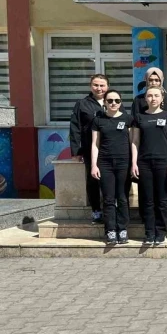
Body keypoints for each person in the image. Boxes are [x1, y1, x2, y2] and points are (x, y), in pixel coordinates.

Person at [131, 87, 167, 246]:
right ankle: (149, 232)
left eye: (156, 95)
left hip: (163, 162)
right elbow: (135, 141)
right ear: (145, 98)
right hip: (144, 162)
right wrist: (134, 163)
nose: (153, 98)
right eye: (150, 95)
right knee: (147, 199)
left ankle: (161, 232)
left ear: (162, 98)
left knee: (162, 199)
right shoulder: (139, 117)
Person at [90, 89, 132, 246]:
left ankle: (122, 229)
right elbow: (95, 144)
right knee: (108, 198)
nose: (113, 103)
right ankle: (110, 230)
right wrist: (94, 165)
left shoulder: (128, 119)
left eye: (117, 101)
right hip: (105, 163)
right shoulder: (98, 120)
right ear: (105, 102)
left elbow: (133, 143)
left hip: (123, 163)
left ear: (121, 102)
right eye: (110, 101)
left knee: (122, 197)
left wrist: (134, 163)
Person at [69, 74, 109, 224]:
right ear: (90, 86)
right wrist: (76, 151)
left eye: (102, 85)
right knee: (93, 180)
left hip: (110, 148)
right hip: (90, 149)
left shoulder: (113, 100)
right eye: (96, 85)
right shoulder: (82, 104)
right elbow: (75, 128)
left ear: (107, 87)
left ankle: (110, 211)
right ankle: (96, 211)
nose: (99, 88)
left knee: (110, 181)